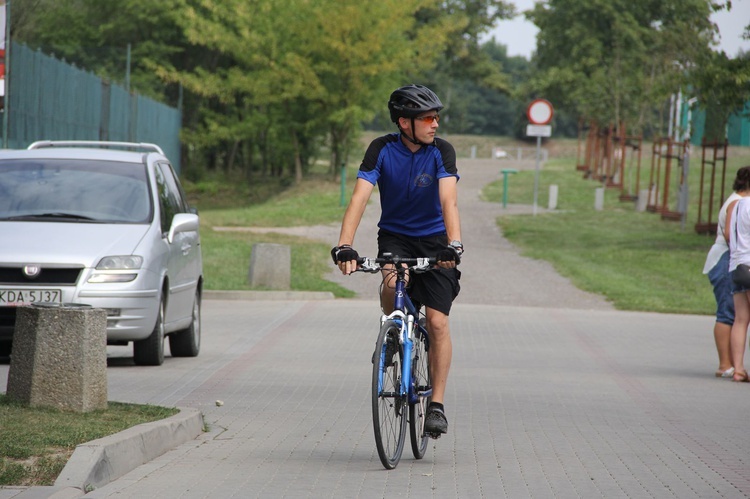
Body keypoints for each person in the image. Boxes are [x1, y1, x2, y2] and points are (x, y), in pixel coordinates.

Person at [331, 84, 462, 436]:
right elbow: (360, 197)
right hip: (396, 237)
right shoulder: (381, 149)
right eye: (428, 118)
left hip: (436, 242)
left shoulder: (441, 152)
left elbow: (449, 200)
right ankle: (391, 334)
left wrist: (454, 244)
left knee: (436, 323)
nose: (435, 124)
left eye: (437, 117)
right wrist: (344, 245)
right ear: (405, 123)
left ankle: (436, 405)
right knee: (390, 284)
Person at [703, 167, 750, 378]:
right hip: (728, 259)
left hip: (732, 260)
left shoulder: (737, 201)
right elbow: (730, 234)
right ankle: (725, 364)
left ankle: (733, 364)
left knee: (736, 315)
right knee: (727, 312)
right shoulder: (737, 203)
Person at [725, 165, 750, 383]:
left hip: (737, 266)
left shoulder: (736, 205)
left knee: (740, 320)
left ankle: (739, 369)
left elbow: (728, 234)